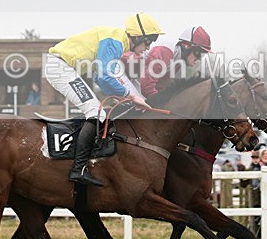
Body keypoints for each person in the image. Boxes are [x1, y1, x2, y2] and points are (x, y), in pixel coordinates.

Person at [44, 12, 162, 186]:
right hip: (60, 68)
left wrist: (127, 99)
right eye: (148, 41)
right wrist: (130, 96)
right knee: (96, 112)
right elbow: (104, 77)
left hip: (63, 67)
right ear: (137, 37)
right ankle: (78, 169)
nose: (148, 47)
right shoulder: (115, 41)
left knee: (98, 111)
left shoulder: (118, 41)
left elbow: (100, 80)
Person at [139, 26, 212, 97]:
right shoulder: (166, 53)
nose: (199, 59)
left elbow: (161, 86)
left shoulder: (178, 59)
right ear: (187, 46)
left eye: (203, 55)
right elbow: (146, 87)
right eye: (198, 53)